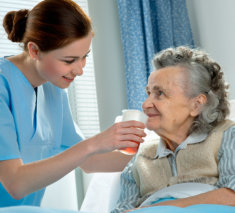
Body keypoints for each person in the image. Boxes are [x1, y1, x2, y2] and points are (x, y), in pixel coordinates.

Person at [0, 0, 146, 207]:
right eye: (69, 61)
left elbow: (89, 161)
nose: (79, 70)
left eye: (84, 57)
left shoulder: (53, 88)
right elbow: (15, 184)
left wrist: (154, 154)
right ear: (34, 51)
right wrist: (95, 143)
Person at [111, 46, 235, 213]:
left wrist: (162, 209)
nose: (146, 104)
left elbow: (232, 195)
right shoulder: (141, 158)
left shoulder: (227, 137)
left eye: (160, 93)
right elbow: (123, 210)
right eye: (148, 93)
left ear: (196, 104)